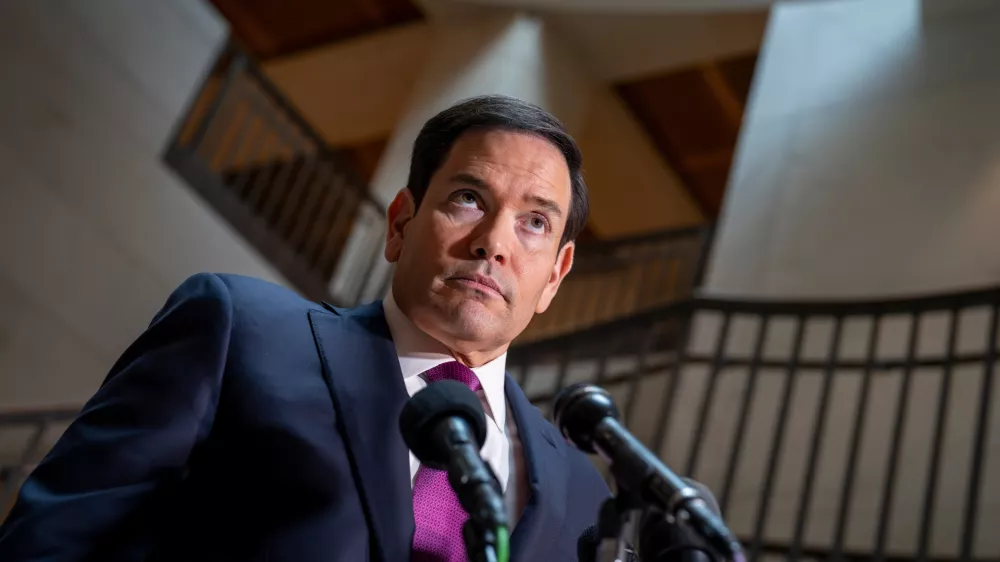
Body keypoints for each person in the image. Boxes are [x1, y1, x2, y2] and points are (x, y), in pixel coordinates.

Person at [0, 95, 610, 561]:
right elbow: (55, 537)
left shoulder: (584, 495)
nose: (493, 244)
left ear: (555, 276)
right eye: (469, 199)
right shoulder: (240, 331)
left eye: (534, 222)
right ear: (400, 223)